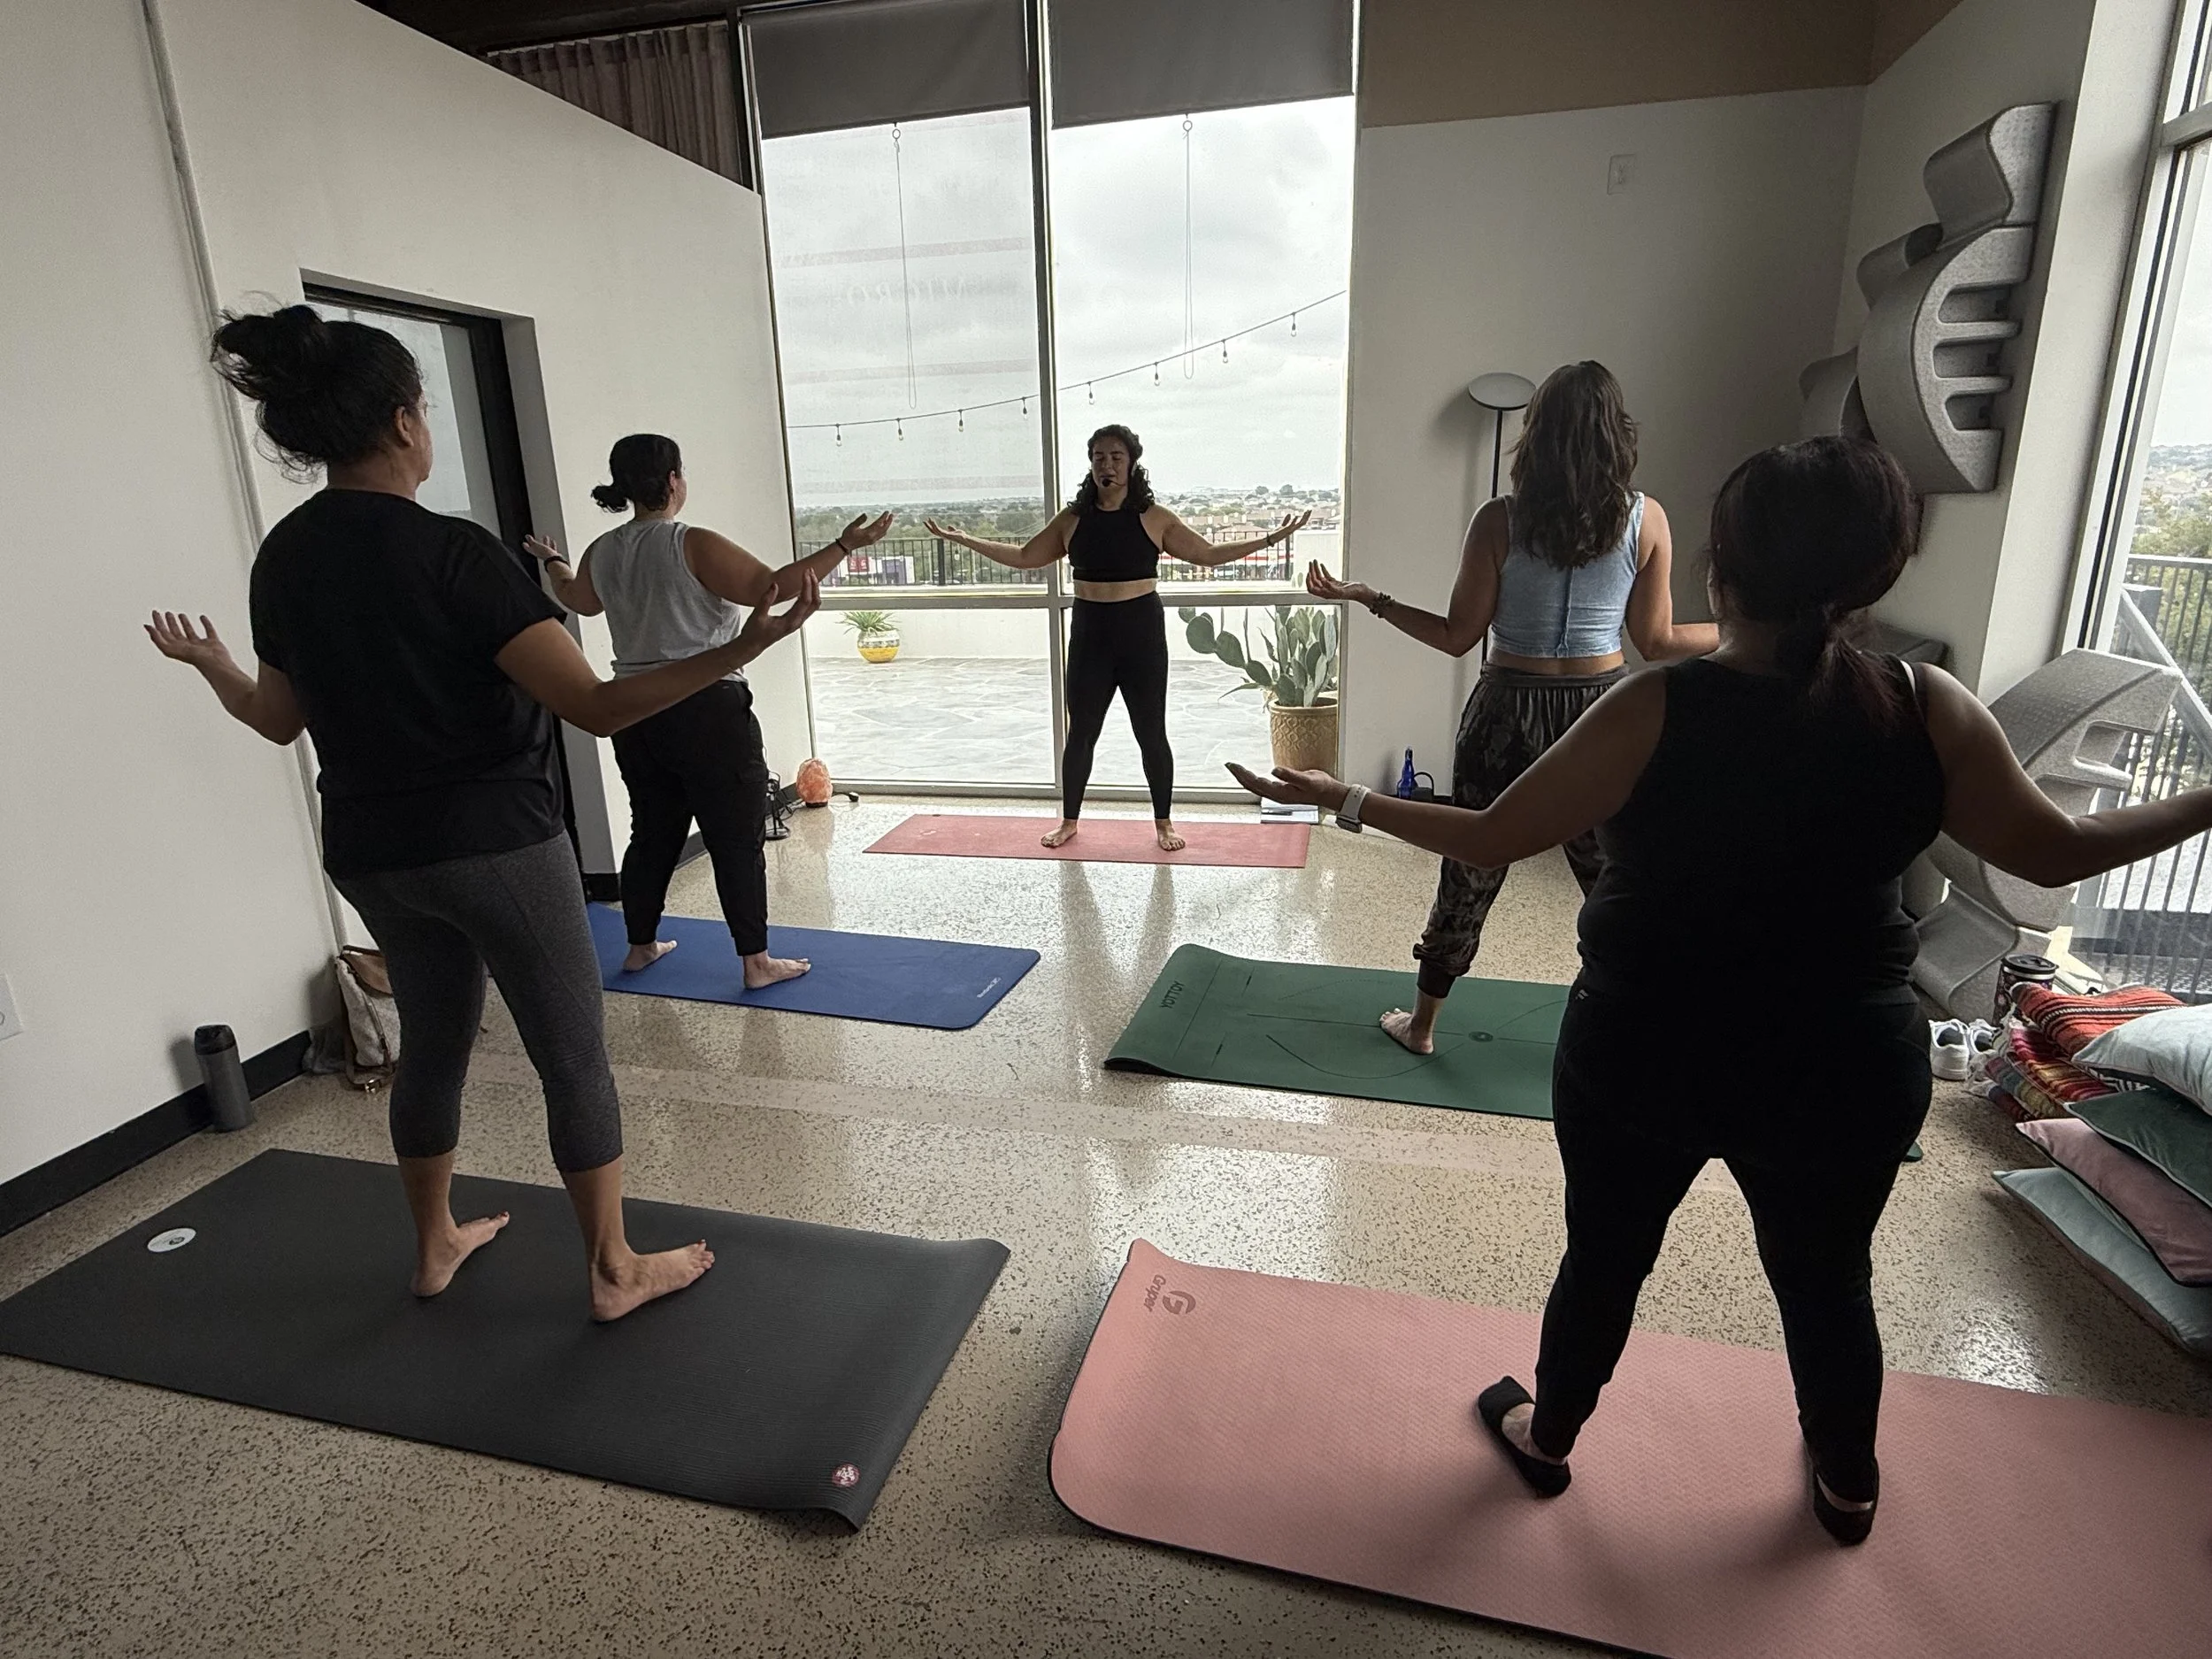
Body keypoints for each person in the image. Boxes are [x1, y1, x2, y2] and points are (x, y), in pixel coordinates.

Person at [1232, 435, 2212, 1543]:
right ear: (1873, 573)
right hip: (1846, 1057)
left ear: (1721, 573)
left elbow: (1497, 833)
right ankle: (1847, 1486)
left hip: (1645, 1047)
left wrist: (1341, 800)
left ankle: (1546, 1441)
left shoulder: (1657, 706)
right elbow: (2058, 850)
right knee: (1827, 1279)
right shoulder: (1923, 702)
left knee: (1605, 1257)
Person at [148, 305, 819, 1321]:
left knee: (436, 1039)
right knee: (570, 1050)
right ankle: (611, 1270)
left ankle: (434, 1244)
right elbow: (591, 706)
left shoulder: (284, 556)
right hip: (494, 844)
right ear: (405, 423)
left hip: (372, 852)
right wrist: (738, 651)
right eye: (422, 407)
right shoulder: (454, 553)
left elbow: (276, 720)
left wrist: (215, 669)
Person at [1307, 361, 1716, 1056]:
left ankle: (1425, 1025)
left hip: (1506, 709)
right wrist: (1746, 629)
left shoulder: (1498, 519)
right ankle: (1658, 1027)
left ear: (1538, 435)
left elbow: (1457, 636)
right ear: (1618, 435)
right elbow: (1657, 641)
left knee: (1470, 861)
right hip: (1604, 710)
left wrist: (1370, 599)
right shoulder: (1648, 520)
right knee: (1618, 872)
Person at [524, 434, 890, 987]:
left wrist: (552, 560)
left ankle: (640, 947)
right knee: (735, 837)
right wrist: (841, 546)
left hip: (636, 714)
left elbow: (576, 598)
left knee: (650, 833)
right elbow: (772, 587)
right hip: (708, 710)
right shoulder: (688, 543)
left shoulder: (604, 550)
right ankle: (756, 963)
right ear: (674, 481)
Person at [926, 424, 1307, 851]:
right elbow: (1024, 557)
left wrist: (1273, 537)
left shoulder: (1154, 517)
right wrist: (963, 540)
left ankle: (1164, 823)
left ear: (1131, 464)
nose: (1106, 465)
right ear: (1090, 465)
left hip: (1140, 631)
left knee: (1150, 731)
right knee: (1082, 732)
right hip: (1091, 632)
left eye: (1116, 457)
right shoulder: (1072, 520)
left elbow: (1207, 555)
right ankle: (1069, 820)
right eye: (1098, 458)